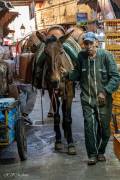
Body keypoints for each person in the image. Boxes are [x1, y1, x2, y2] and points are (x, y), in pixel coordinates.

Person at [61, 32, 120, 165]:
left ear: (96, 43)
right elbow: (77, 73)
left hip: (103, 100)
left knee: (104, 129)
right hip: (87, 99)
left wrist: (105, 91)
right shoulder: (81, 57)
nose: (88, 47)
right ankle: (92, 154)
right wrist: (67, 75)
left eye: (90, 43)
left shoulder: (106, 56)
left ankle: (101, 151)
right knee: (89, 126)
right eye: (86, 44)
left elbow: (116, 77)